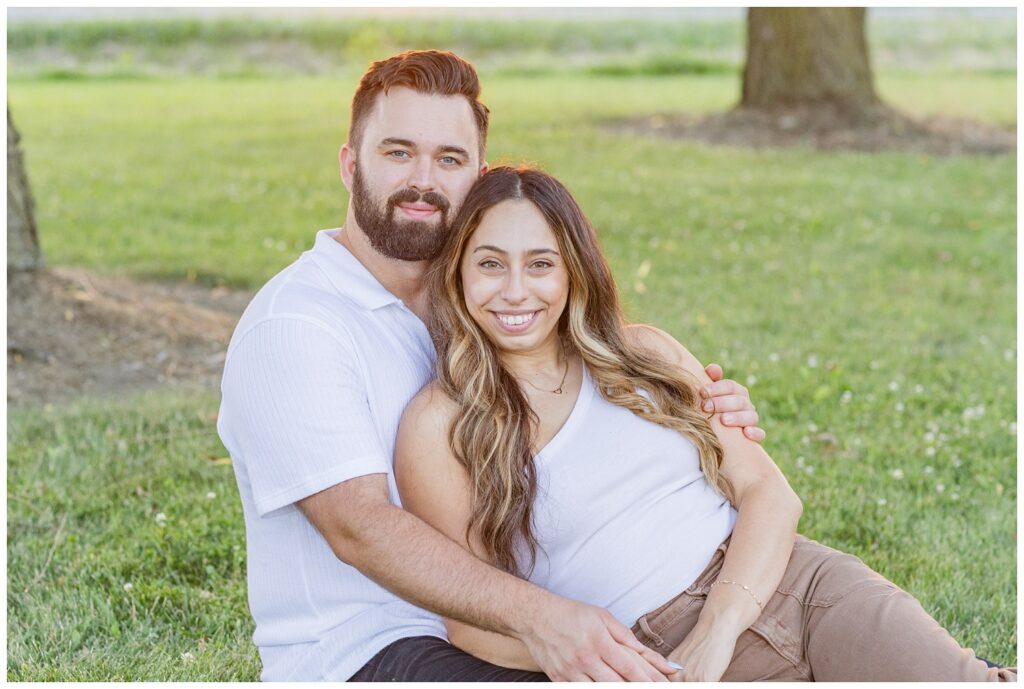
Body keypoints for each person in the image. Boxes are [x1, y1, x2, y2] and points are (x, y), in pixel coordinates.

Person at [218, 50, 765, 681]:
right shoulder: (297, 326)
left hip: (504, 630)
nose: (422, 180)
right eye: (397, 152)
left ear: (477, 176)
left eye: (448, 160)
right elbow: (358, 526)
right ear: (349, 165)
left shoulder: (479, 306)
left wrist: (702, 409)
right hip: (379, 648)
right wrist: (544, 618)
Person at [394, 165, 1017, 682]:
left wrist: (719, 629)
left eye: (540, 264)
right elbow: (474, 622)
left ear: (573, 270)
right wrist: (616, 664)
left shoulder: (647, 355)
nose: (515, 290)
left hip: (791, 583)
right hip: (653, 655)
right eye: (490, 264)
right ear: (458, 272)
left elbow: (767, 493)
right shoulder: (439, 429)